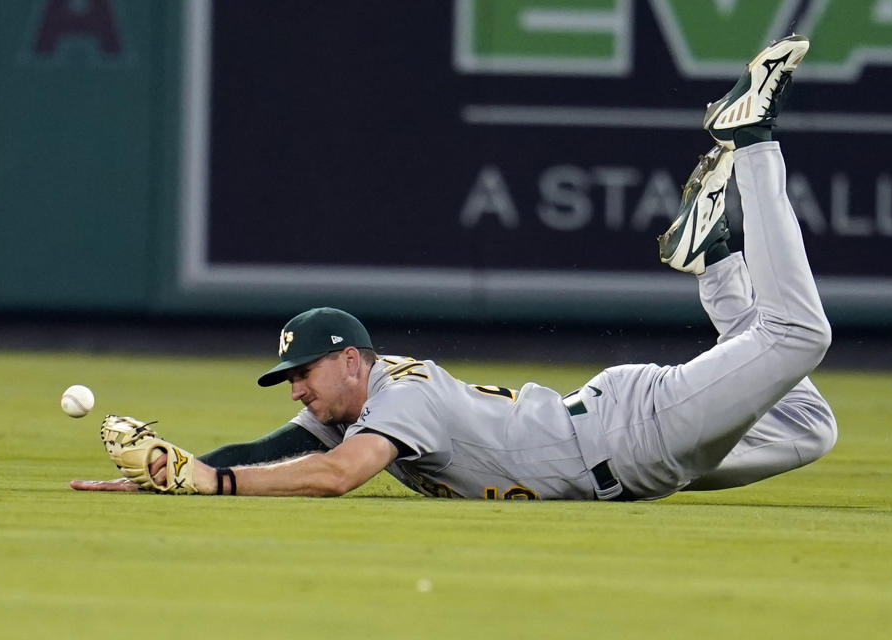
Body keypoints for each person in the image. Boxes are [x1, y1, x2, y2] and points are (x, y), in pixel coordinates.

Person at [72, 35, 836, 501]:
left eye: (305, 372)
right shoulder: (360, 401)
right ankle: (719, 267)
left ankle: (754, 140)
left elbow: (338, 477)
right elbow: (280, 450)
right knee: (809, 426)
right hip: (623, 447)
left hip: (631, 437)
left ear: (350, 360)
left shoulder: (397, 401)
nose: (298, 388)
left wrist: (211, 483)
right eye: (291, 379)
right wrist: (173, 472)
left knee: (799, 336)